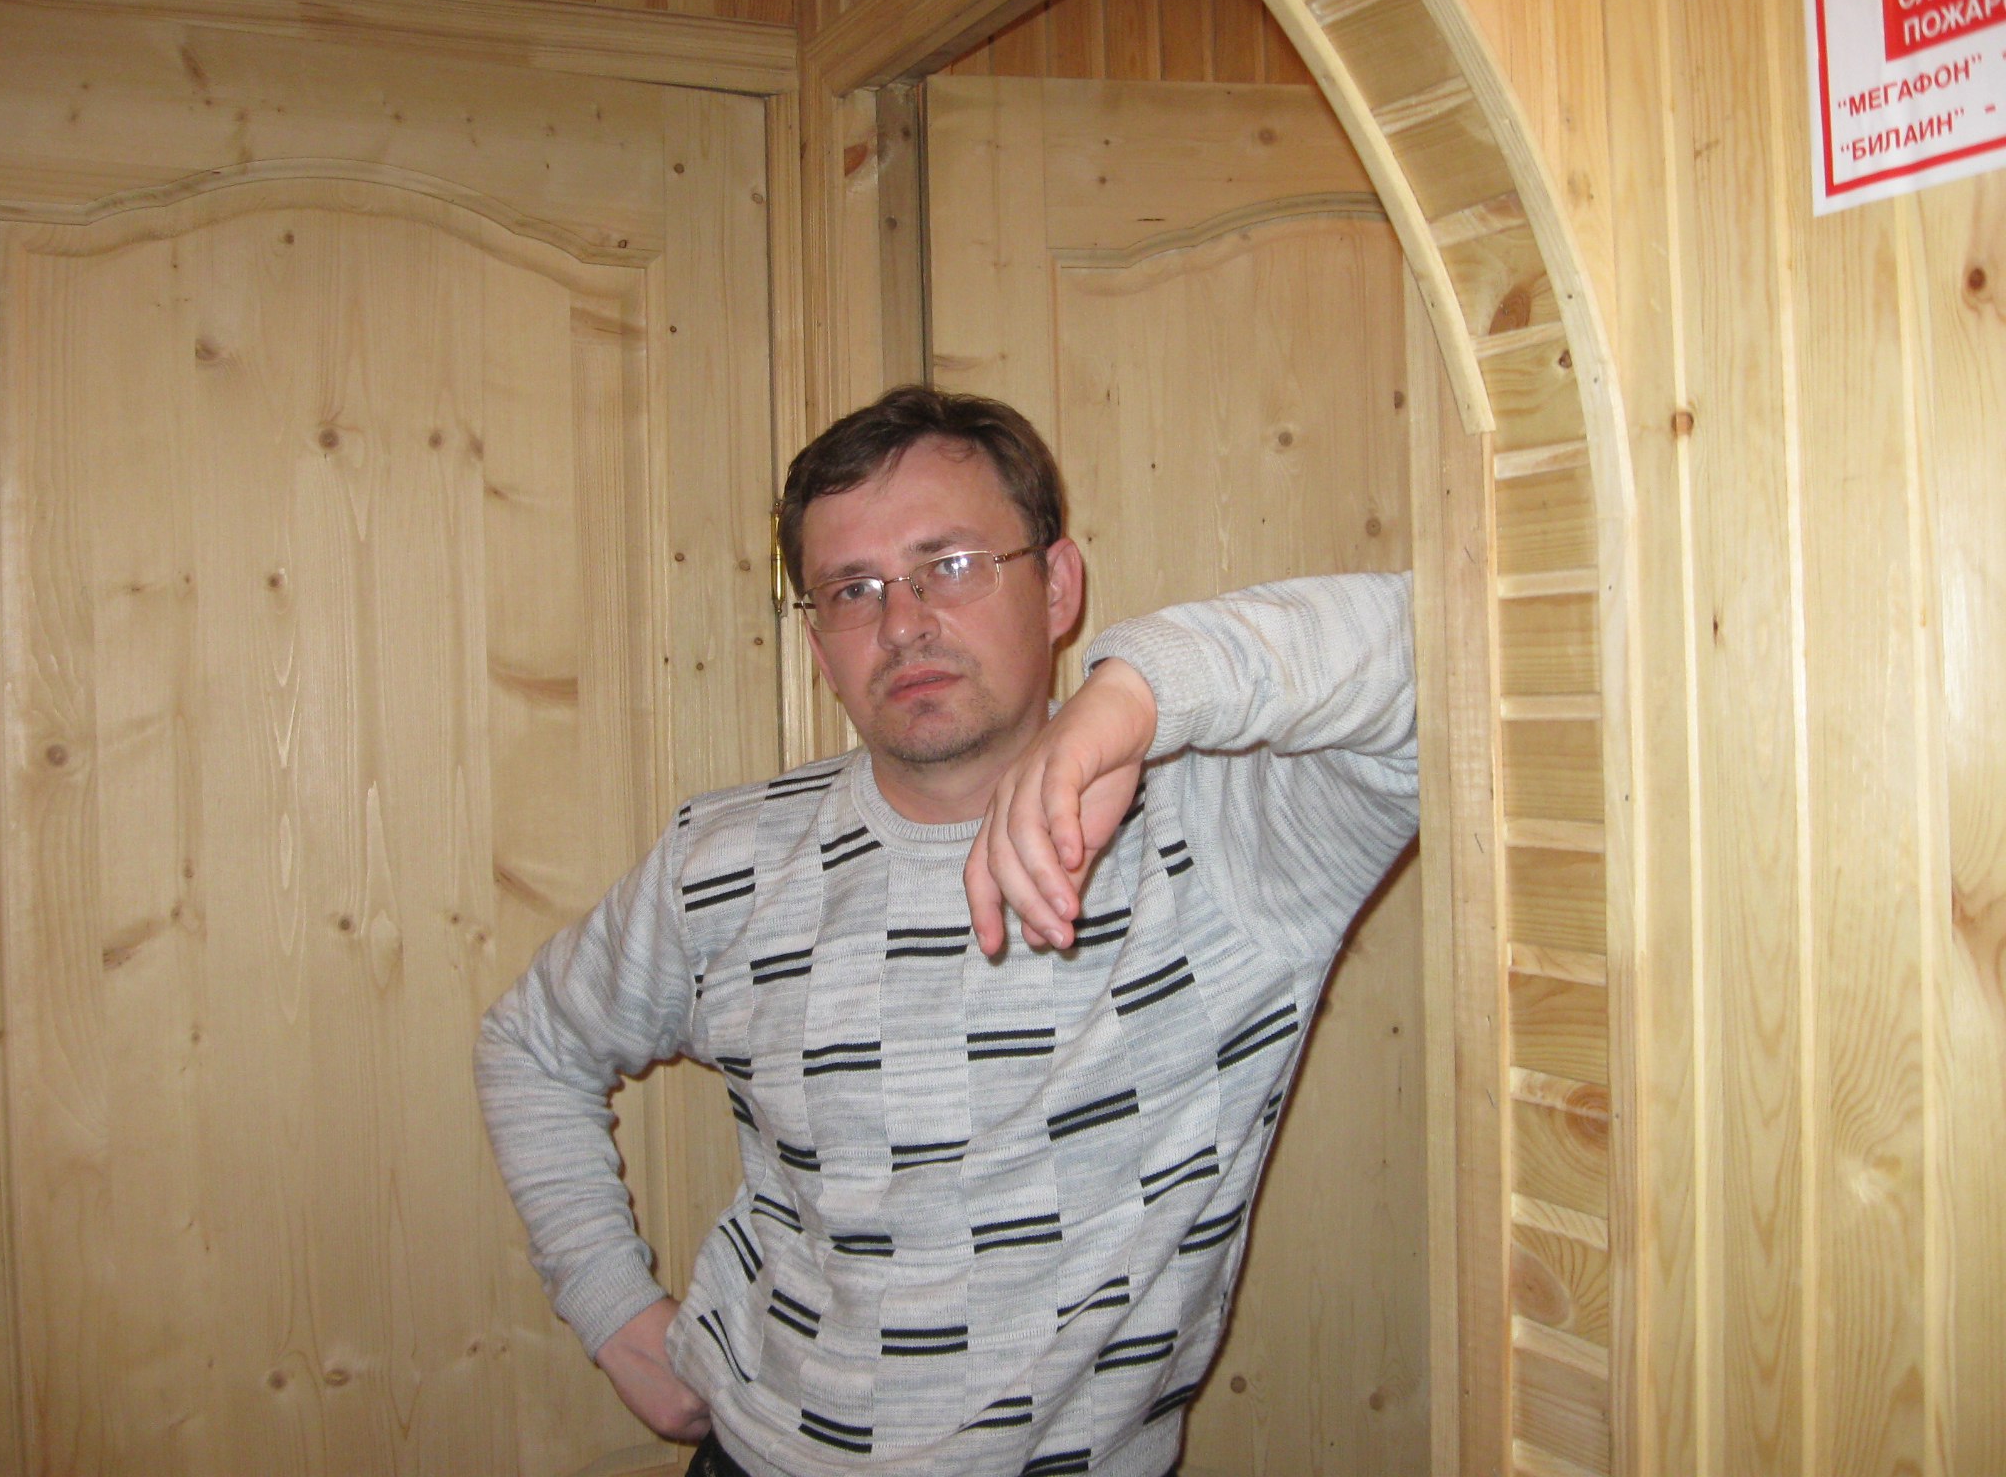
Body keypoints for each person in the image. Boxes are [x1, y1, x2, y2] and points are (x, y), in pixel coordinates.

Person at [476, 385, 1419, 1477]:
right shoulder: (722, 862)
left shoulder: (1229, 838)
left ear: (1057, 586)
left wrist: (1130, 697)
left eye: (953, 565)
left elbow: (1449, 644)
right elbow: (530, 1048)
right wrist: (610, 1306)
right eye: (852, 589)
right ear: (818, 642)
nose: (903, 623)